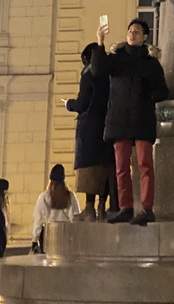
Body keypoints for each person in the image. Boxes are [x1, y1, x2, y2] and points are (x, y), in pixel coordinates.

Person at [91, 17, 168, 226]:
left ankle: (147, 208)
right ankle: (125, 207)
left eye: (136, 31)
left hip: (142, 119)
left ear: (144, 37)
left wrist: (150, 95)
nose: (132, 34)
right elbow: (97, 70)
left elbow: (163, 90)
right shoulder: (117, 59)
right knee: (121, 167)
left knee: (145, 164)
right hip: (119, 119)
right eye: (130, 31)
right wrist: (100, 41)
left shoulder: (151, 64)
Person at [65, 42, 117, 220]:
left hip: (90, 129)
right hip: (109, 126)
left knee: (89, 169)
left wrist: (69, 104)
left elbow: (82, 103)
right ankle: (103, 207)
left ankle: (89, 209)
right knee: (106, 169)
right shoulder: (111, 74)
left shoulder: (89, 75)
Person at [31, 164, 80, 252]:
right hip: (66, 235)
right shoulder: (71, 197)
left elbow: (38, 219)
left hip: (48, 236)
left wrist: (35, 239)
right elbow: (75, 217)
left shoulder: (44, 197)